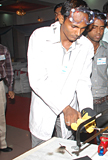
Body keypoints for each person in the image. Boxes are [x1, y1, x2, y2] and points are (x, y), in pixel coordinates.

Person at [27, 0, 95, 148]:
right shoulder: (40, 37)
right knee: (41, 153)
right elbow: (37, 80)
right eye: (74, 26)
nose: (78, 33)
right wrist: (65, 108)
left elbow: (83, 81)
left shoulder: (86, 46)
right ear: (61, 18)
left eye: (82, 28)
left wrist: (87, 109)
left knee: (68, 152)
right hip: (45, 109)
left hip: (71, 111)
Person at [86, 9, 108, 129]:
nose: (98, 32)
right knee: (85, 139)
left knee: (106, 137)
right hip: (85, 102)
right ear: (87, 27)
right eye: (94, 27)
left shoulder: (107, 48)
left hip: (104, 102)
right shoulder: (79, 48)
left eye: (101, 28)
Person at [0, 44, 15, 152]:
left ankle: (2, 144)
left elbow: (9, 69)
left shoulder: (3, 49)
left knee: (1, 116)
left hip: (0, 84)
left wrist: (10, 87)